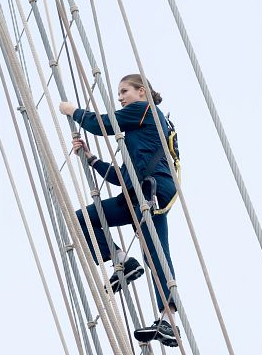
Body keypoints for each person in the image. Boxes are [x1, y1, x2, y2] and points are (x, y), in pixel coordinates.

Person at [58, 74, 180, 347]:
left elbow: (101, 124)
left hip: (153, 191)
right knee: (82, 220)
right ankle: (122, 262)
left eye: (125, 91)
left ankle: (169, 320)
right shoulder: (137, 137)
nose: (121, 97)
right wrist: (91, 159)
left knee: (156, 250)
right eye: (119, 93)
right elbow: (122, 178)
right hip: (135, 192)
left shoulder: (146, 110)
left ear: (142, 92)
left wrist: (72, 111)